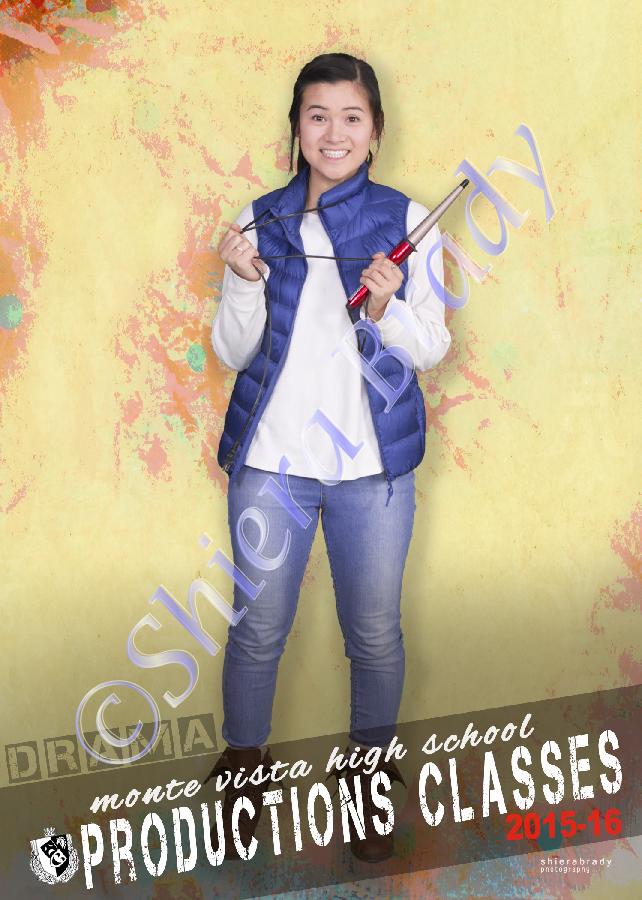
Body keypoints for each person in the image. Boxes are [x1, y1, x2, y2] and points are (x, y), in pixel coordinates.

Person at [208, 52, 451, 862]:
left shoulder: (412, 220)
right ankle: (243, 777)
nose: (334, 133)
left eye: (352, 117)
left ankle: (367, 783)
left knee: (374, 634)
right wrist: (242, 282)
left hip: (371, 470)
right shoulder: (258, 221)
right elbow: (232, 349)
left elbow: (432, 346)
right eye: (318, 116)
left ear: (375, 130)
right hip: (272, 464)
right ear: (297, 128)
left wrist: (386, 306)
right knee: (257, 631)